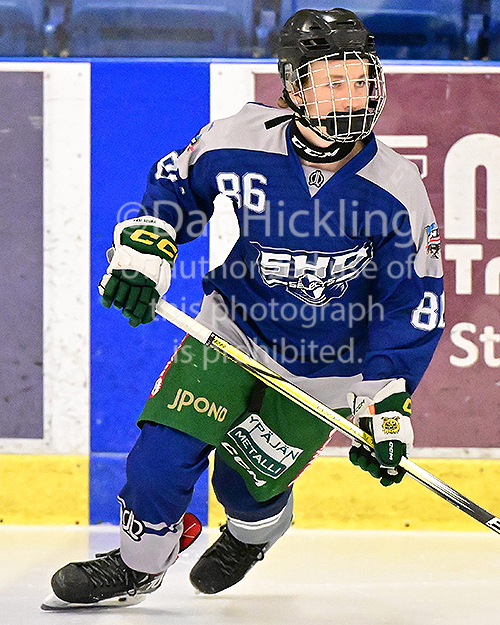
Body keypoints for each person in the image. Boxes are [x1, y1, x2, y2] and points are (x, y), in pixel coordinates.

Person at [41, 7, 444, 610]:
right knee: (160, 458)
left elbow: (411, 299)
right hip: (233, 331)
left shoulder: (396, 184)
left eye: (361, 79)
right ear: (295, 87)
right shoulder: (241, 136)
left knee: (243, 484)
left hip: (326, 368)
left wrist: (385, 399)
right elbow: (177, 182)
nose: (352, 95)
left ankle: (253, 535)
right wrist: (146, 248)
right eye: (333, 81)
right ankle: (138, 564)